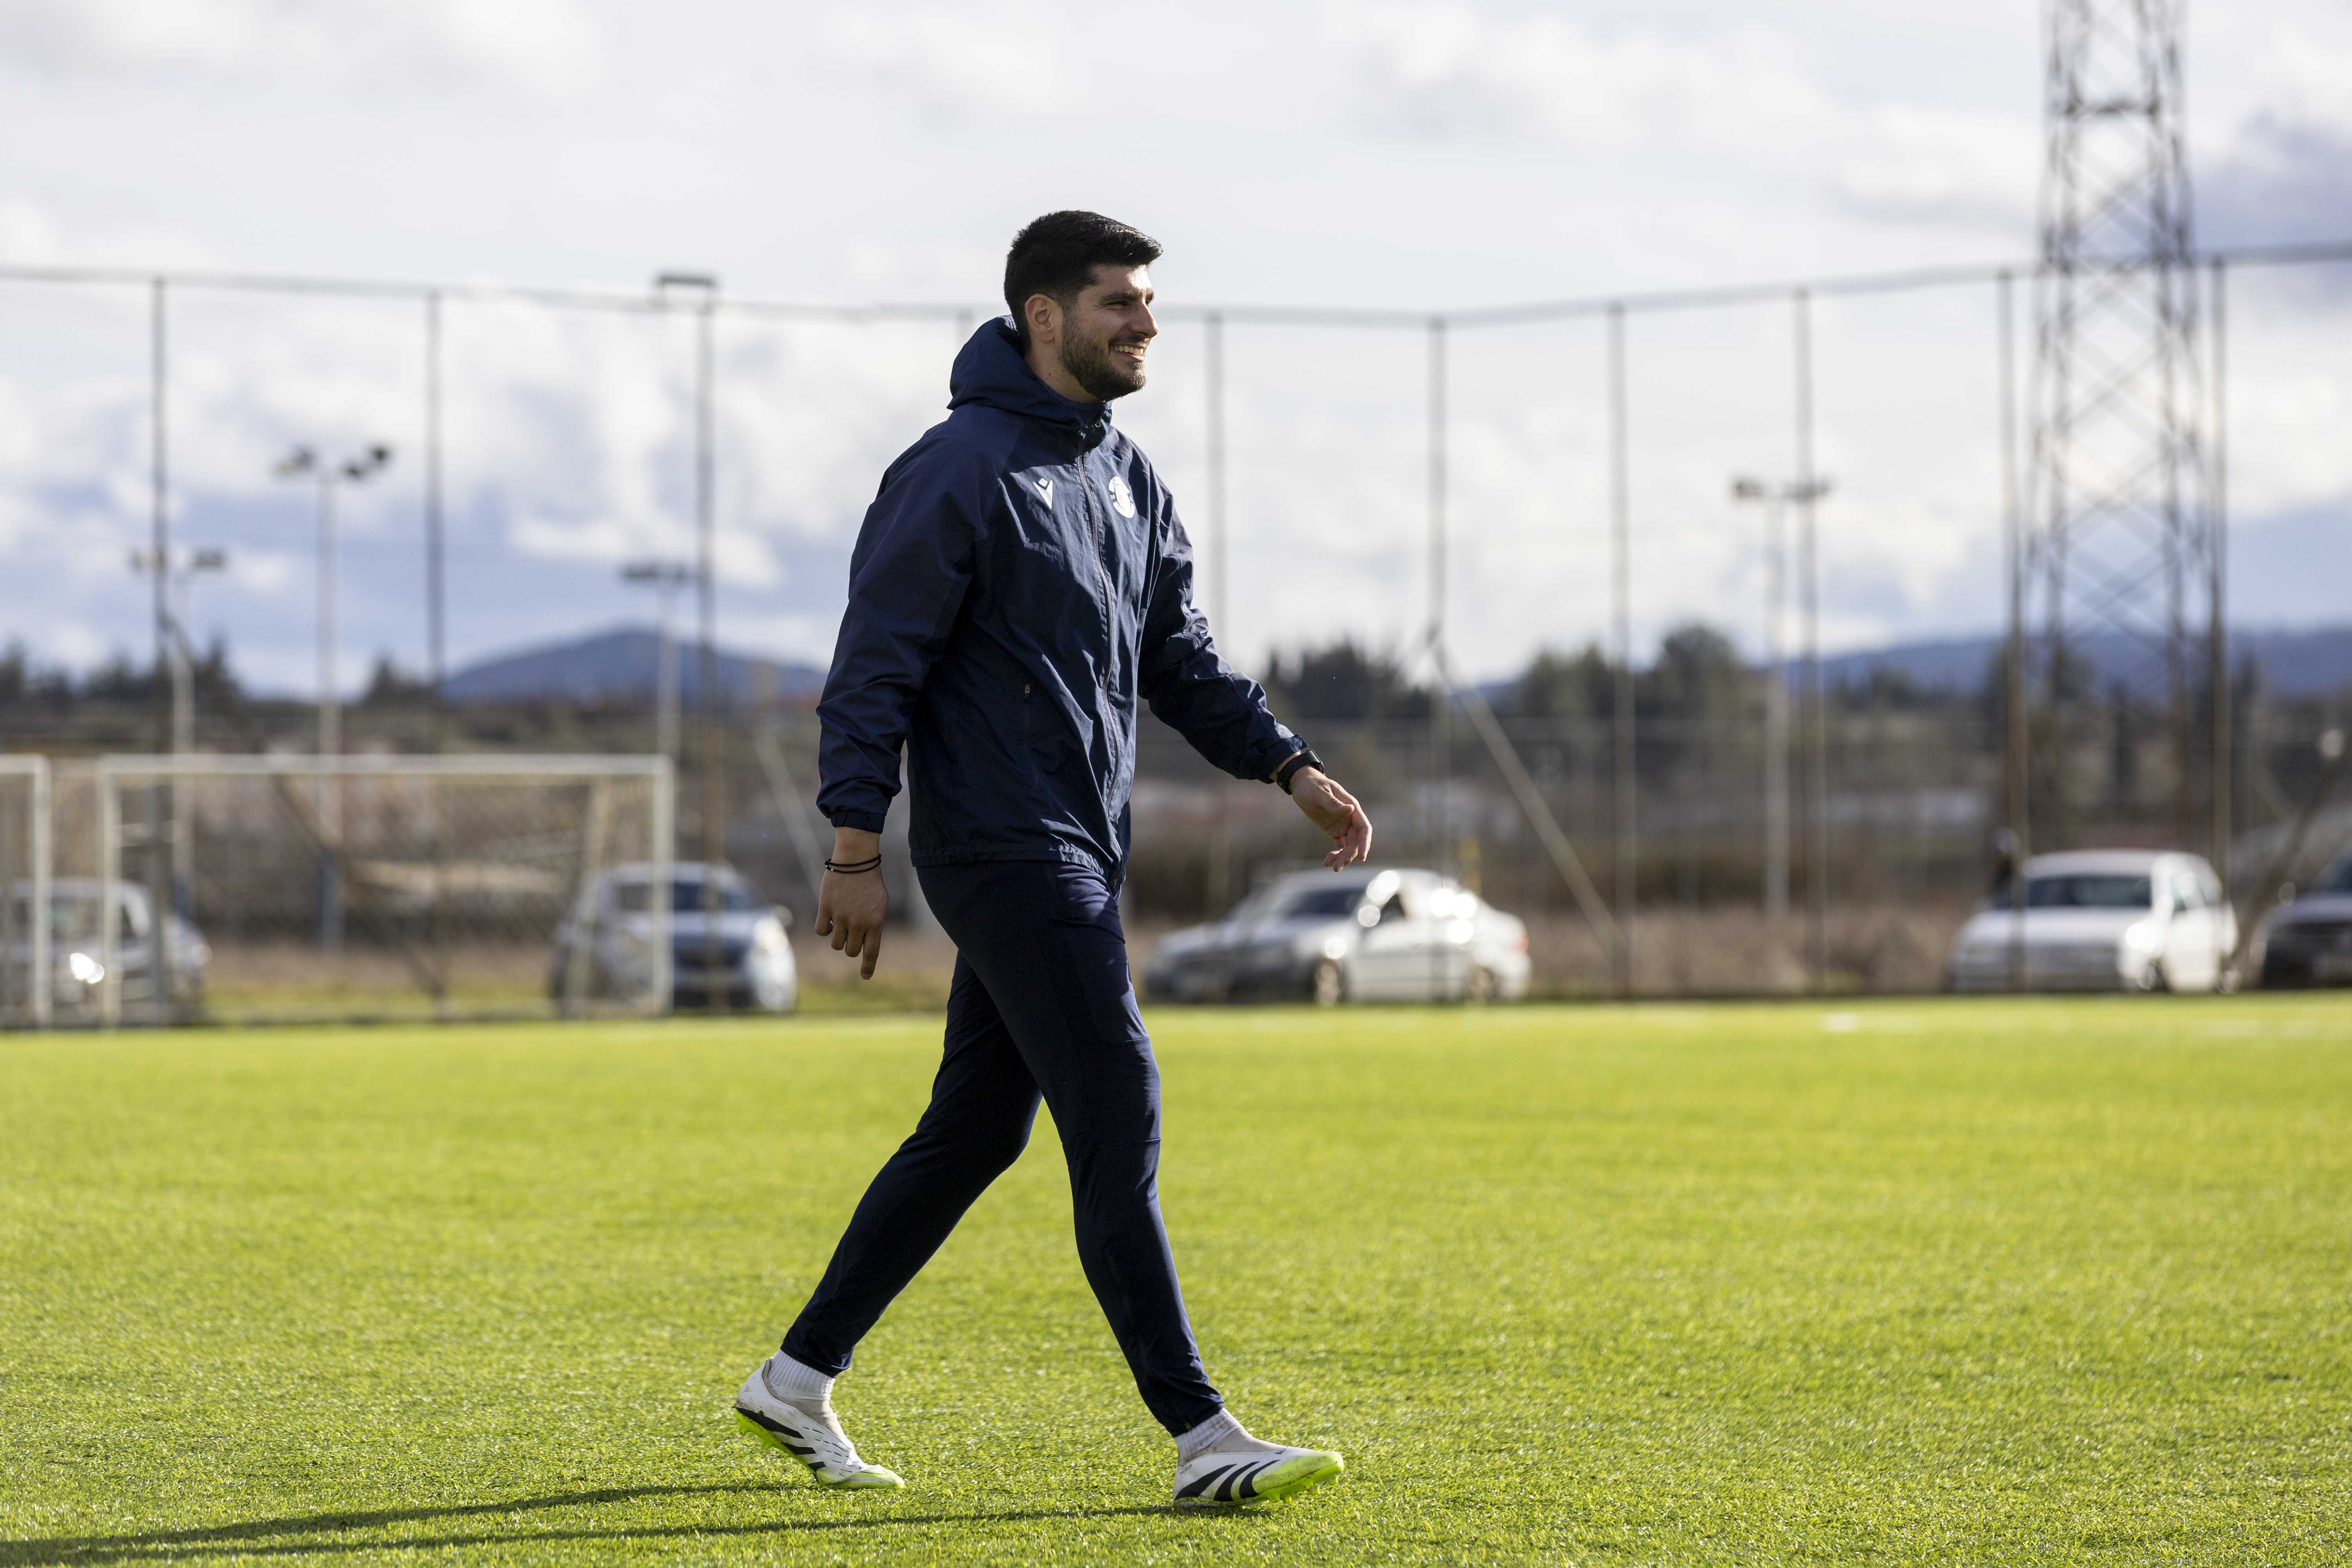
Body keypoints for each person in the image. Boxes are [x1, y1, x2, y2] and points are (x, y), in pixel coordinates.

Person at [731, 211, 1372, 1508]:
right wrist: (853, 846)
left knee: (974, 1132)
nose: (1145, 323)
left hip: (1080, 845)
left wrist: (1289, 767)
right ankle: (1203, 1436)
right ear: (1044, 316)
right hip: (1002, 847)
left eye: (1148, 302)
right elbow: (873, 670)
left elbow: (1180, 661)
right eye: (1119, 301)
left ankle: (794, 1380)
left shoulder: (1127, 477)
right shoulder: (957, 468)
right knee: (1118, 1103)